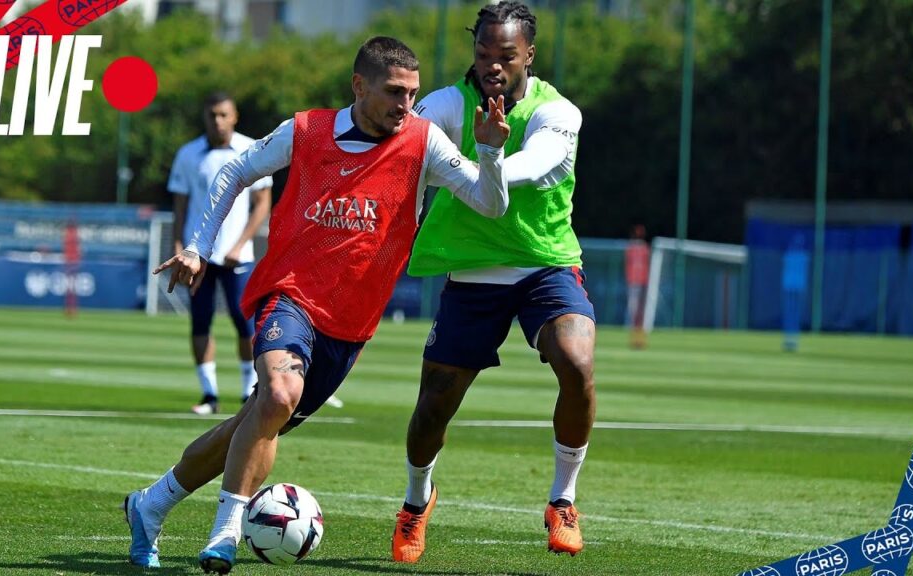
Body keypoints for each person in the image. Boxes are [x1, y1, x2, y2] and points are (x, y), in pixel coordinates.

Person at [124, 36, 511, 574]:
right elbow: (235, 171)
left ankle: (149, 505)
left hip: (350, 326)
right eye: (395, 92)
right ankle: (226, 533)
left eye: (413, 94)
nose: (406, 105)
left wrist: (489, 151)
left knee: (254, 423)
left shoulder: (425, 144)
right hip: (288, 296)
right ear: (359, 86)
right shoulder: (305, 131)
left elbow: (491, 204)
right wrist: (197, 248)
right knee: (279, 395)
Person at [393, 1, 595, 562]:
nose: (493, 66)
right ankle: (415, 503)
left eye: (506, 55)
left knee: (576, 363)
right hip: (472, 272)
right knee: (434, 403)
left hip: (545, 264)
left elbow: (533, 164)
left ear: (529, 54)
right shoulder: (443, 106)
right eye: (483, 54)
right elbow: (398, 148)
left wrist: (481, 157)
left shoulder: (559, 113)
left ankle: (563, 500)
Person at [168, 92, 273, 414]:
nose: (217, 120)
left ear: (235, 116)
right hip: (198, 256)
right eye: (212, 114)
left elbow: (262, 203)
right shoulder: (189, 154)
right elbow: (180, 207)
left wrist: (241, 244)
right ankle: (209, 395)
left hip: (236, 256)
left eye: (223, 114)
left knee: (245, 325)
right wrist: (178, 247)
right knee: (200, 323)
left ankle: (247, 392)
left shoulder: (251, 149)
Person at [781, 234, 809, 352]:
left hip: (791, 287)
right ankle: (792, 340)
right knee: (793, 314)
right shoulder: (803, 256)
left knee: (792, 314)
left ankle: (790, 339)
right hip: (795, 287)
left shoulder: (789, 255)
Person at [624, 224, 650, 349]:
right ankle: (635, 338)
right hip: (634, 284)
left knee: (640, 312)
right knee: (634, 311)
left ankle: (640, 338)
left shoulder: (644, 248)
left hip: (642, 283)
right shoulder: (632, 248)